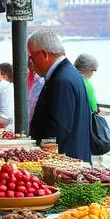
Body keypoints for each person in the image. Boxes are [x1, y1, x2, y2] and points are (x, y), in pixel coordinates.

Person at [28, 30, 91, 162]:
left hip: (66, 162)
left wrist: (40, 153)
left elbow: (59, 127)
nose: (30, 62)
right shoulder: (66, 73)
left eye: (31, 57)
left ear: (44, 54)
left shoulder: (62, 79)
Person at [27, 55, 44, 123]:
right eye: (28, 58)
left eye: (32, 57)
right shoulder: (25, 76)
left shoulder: (43, 80)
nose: (30, 61)